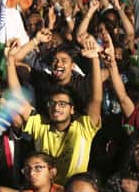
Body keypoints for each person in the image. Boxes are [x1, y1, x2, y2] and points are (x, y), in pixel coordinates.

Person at [7, 35, 103, 184]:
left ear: (72, 109)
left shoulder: (83, 128)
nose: (57, 107)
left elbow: (96, 99)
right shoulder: (41, 126)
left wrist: (95, 58)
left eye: (63, 104)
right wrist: (9, 60)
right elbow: (18, 100)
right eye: (52, 103)